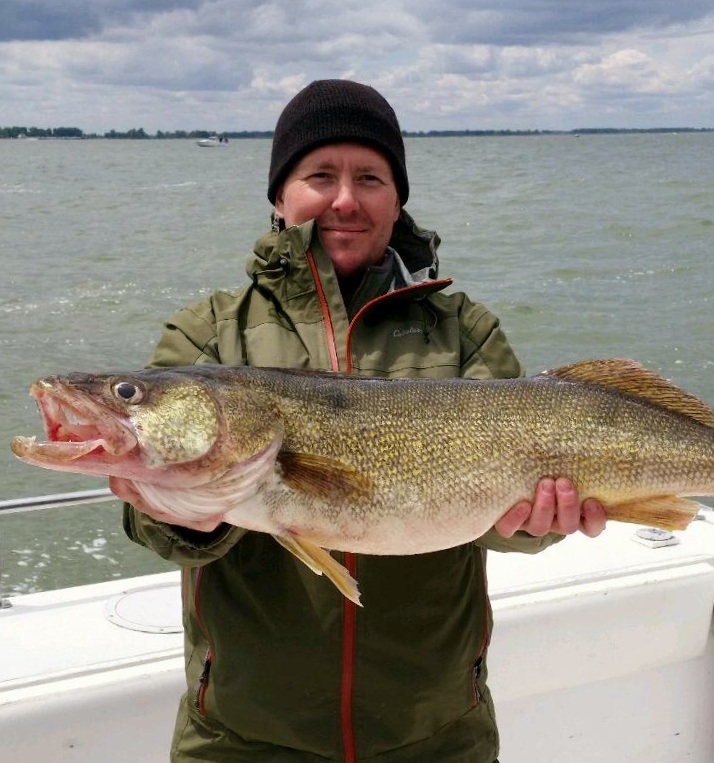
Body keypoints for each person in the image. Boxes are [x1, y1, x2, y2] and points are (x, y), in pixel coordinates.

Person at [116, 79, 606, 763]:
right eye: (319, 174)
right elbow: (146, 520)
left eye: (369, 177)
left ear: (396, 197)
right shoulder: (208, 336)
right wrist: (179, 517)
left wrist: (535, 526)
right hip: (241, 737)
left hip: (436, 732)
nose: (345, 199)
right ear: (279, 197)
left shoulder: (464, 331)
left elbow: (504, 527)